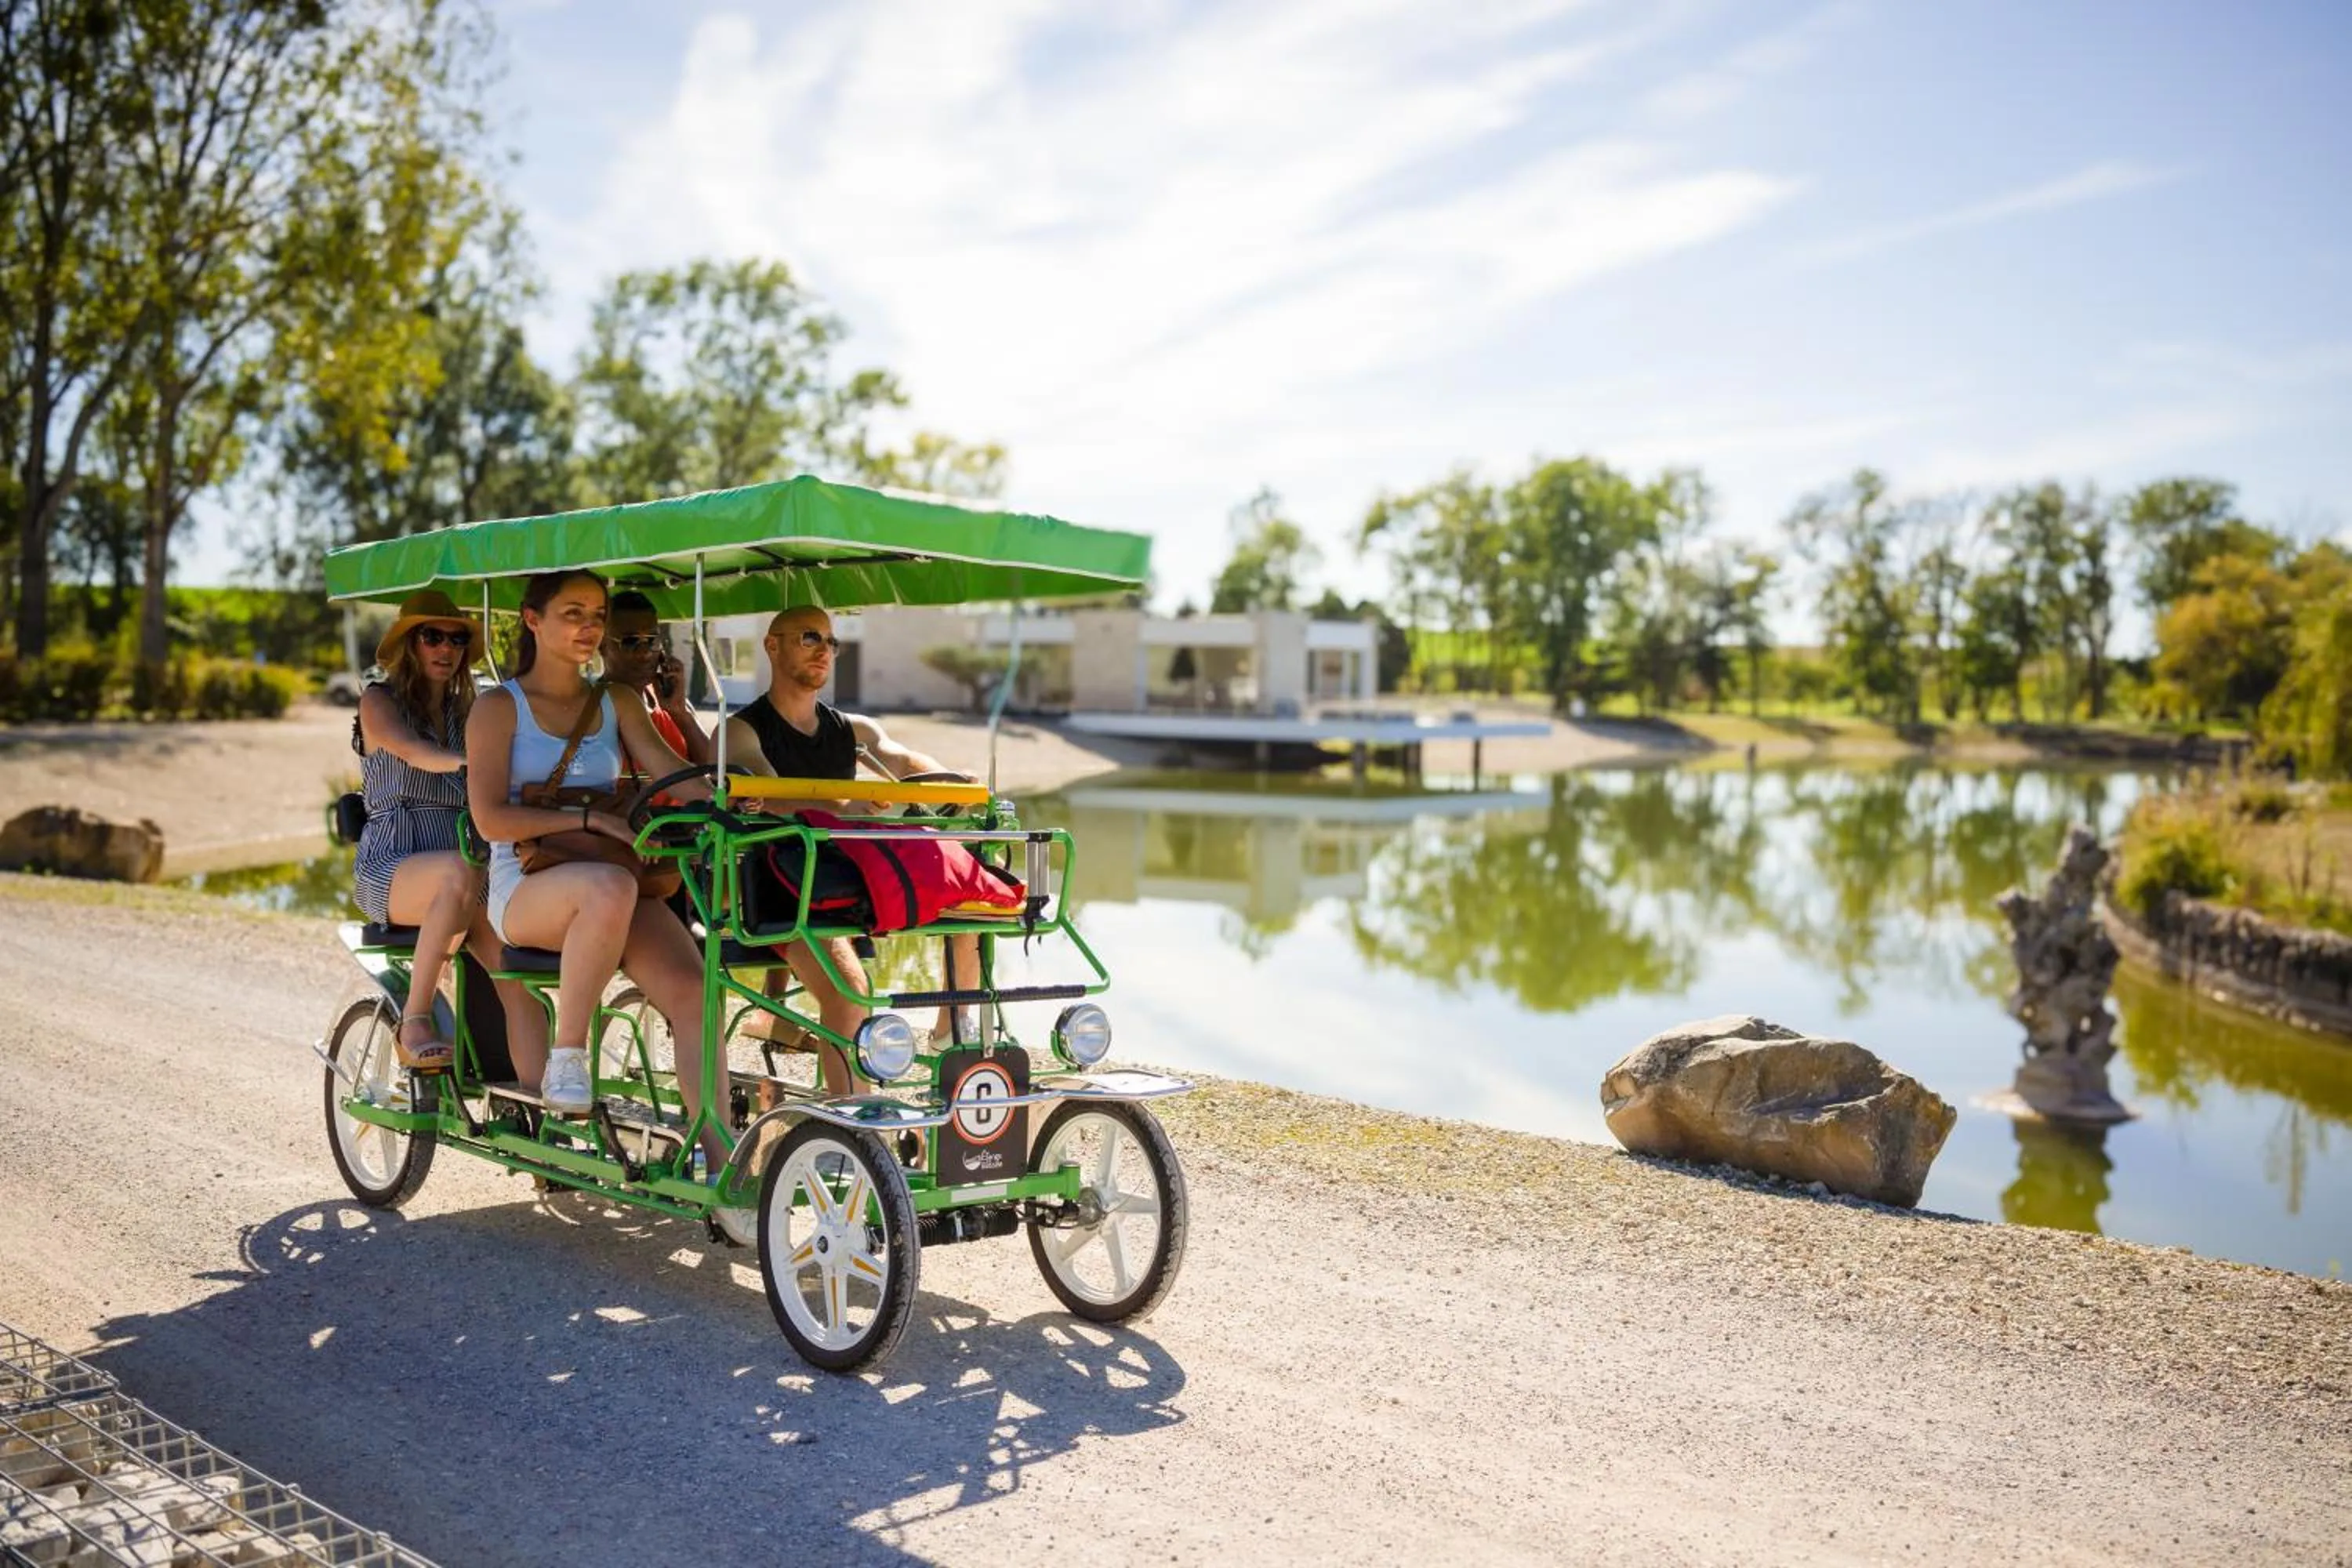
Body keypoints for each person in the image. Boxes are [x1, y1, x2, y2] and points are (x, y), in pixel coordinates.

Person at [464, 569, 729, 1172]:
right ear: (533, 620)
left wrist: (725, 797)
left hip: (611, 882)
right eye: (573, 614)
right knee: (612, 886)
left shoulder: (616, 701)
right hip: (527, 885)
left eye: (597, 616)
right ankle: (568, 1056)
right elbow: (490, 819)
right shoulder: (499, 708)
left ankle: (722, 1165)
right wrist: (589, 819)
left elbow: (670, 771)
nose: (589, 627)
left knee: (697, 994)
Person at [723, 605, 986, 1090]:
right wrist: (846, 806)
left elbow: (902, 760)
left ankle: (952, 1027)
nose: (824, 650)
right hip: (785, 885)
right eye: (810, 638)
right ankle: (851, 1117)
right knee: (848, 994)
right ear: (772, 646)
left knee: (971, 901)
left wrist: (950, 780)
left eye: (831, 642)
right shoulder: (742, 730)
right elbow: (768, 790)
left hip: (850, 877)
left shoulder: (853, 730)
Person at [351, 590, 509, 1070]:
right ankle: (415, 1019)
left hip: (468, 866)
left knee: (516, 972)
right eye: (432, 637)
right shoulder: (379, 701)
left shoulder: (470, 710)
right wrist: (474, 762)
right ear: (409, 644)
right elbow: (413, 751)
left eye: (457, 640)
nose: (446, 648)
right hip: (393, 862)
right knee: (460, 871)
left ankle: (530, 1087)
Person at [602, 591, 713, 767]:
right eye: (630, 642)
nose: (645, 653)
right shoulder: (591, 709)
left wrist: (680, 714)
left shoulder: (672, 705)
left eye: (652, 641)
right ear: (602, 646)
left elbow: (715, 771)